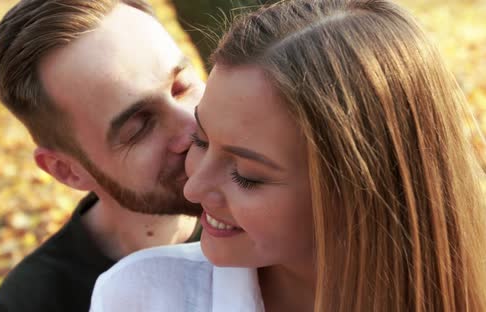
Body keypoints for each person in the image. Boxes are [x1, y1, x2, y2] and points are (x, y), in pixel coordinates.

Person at [90, 0, 486, 311]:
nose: (193, 189)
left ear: (366, 185)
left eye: (246, 174)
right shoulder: (144, 297)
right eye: (202, 140)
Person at [0, 0, 207, 310]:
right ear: (67, 171)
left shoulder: (287, 207)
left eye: (181, 86)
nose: (192, 125)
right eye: (138, 127)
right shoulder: (32, 302)